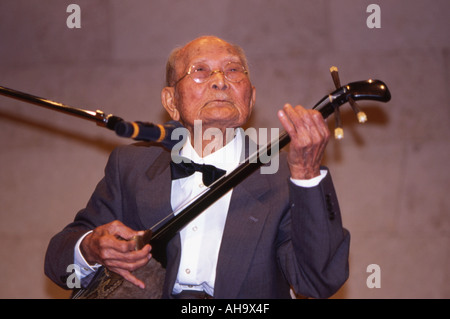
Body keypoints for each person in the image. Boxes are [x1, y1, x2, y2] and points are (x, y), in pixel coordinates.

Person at [44, 35, 350, 299]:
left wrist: (308, 177)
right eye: (199, 71)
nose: (220, 80)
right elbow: (59, 262)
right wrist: (90, 248)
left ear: (251, 97)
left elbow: (317, 282)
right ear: (171, 101)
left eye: (233, 70)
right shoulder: (131, 167)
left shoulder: (286, 176)